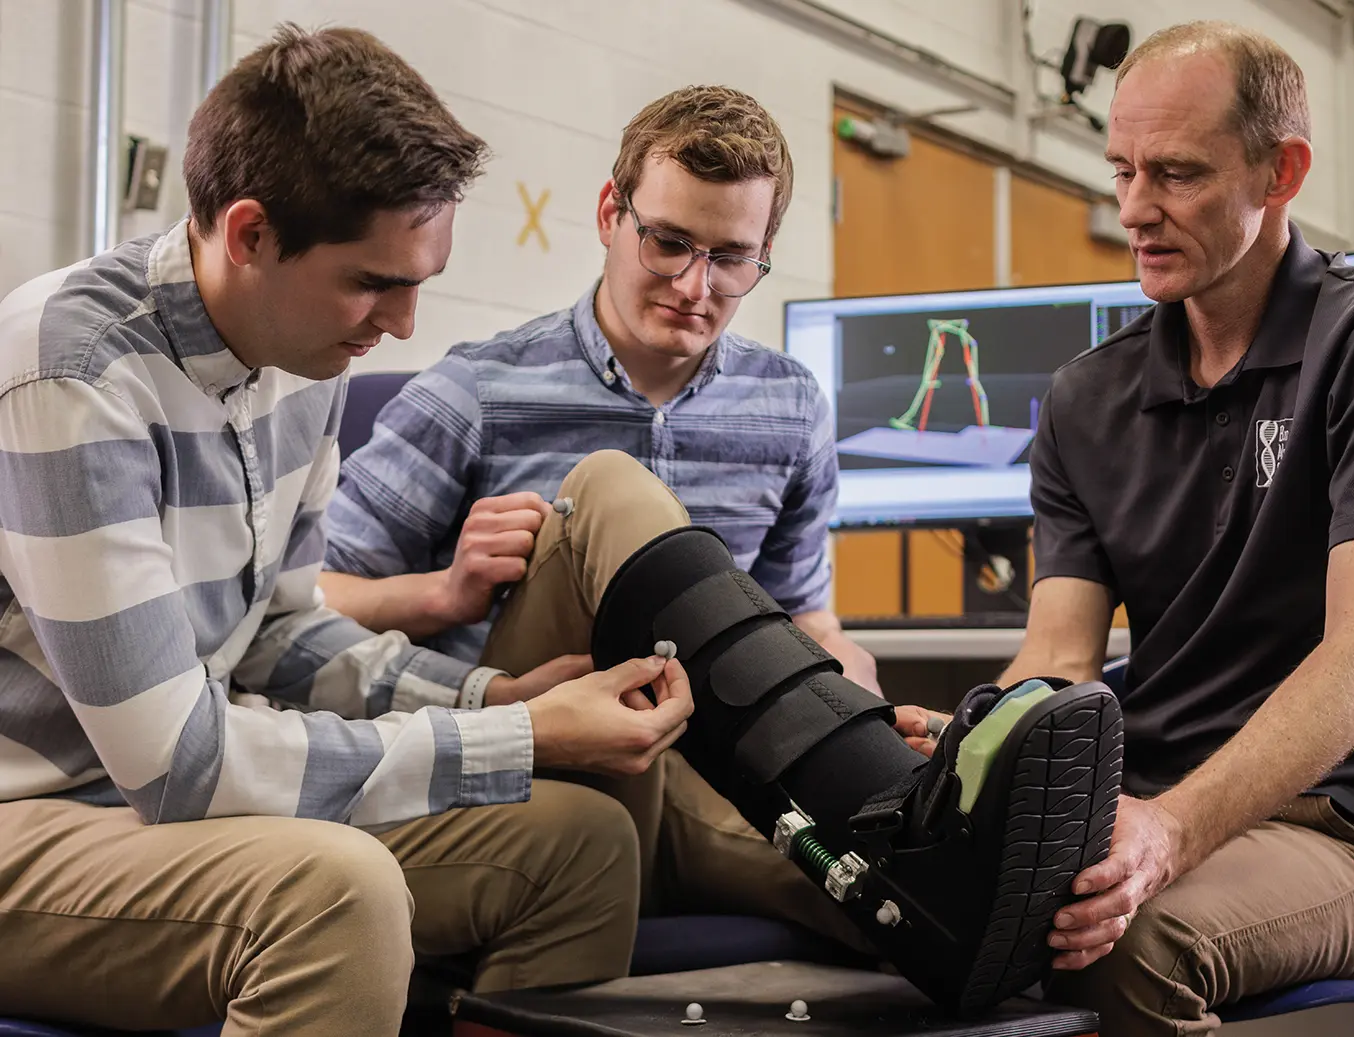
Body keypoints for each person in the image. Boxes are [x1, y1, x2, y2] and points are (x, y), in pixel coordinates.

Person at [0, 26, 693, 1036]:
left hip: (164, 800)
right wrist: (519, 732)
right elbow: (180, 768)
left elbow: (278, 632)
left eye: (421, 279)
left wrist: (491, 692)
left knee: (580, 840)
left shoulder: (297, 350)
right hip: (35, 816)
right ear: (247, 234)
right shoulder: (74, 374)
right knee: (337, 893)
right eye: (375, 283)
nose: (405, 324)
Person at [318, 86, 936, 924]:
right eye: (670, 243)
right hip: (533, 748)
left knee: (903, 904)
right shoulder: (478, 389)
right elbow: (307, 602)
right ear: (612, 213)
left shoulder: (789, 405)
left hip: (700, 765)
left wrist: (846, 679)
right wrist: (442, 593)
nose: (696, 285)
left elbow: (801, 612)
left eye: (732, 257)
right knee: (605, 488)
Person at [998, 21, 1354, 1035]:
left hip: (1353, 829)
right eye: (1123, 170)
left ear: (1283, 171)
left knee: (1119, 941)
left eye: (1176, 174)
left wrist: (1171, 831)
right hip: (1147, 807)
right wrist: (981, 744)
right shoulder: (1085, 399)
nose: (1135, 209)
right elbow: (1057, 657)